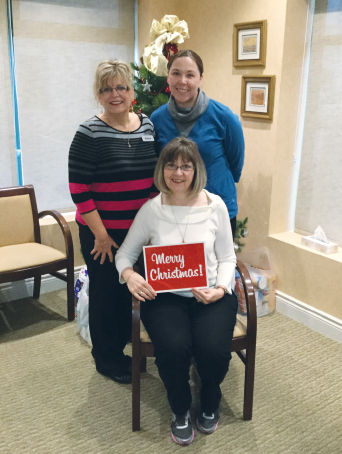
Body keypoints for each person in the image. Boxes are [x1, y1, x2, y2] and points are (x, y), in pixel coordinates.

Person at [115, 137, 238, 445]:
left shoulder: (215, 206)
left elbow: (227, 257)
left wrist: (221, 289)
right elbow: (124, 255)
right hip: (165, 296)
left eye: (186, 165)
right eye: (171, 165)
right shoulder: (151, 209)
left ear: (196, 170)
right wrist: (129, 275)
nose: (178, 173)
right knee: (173, 349)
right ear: (162, 169)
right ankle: (180, 409)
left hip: (211, 294)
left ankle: (210, 399)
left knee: (213, 350)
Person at [68, 59, 157, 384]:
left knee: (132, 291)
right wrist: (102, 236)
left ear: (132, 92)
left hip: (138, 231)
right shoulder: (89, 132)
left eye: (121, 87)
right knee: (108, 294)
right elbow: (79, 189)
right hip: (101, 232)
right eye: (107, 88)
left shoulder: (146, 125)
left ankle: (132, 347)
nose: (115, 94)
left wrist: (150, 228)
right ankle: (107, 359)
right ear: (99, 94)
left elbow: (153, 183)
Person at [150, 49, 245, 239]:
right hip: (174, 212)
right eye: (176, 73)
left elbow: (236, 164)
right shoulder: (157, 119)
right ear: (168, 77)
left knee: (217, 267)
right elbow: (159, 165)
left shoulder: (224, 117)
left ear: (200, 78)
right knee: (179, 268)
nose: (182, 81)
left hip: (216, 211)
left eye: (190, 75)